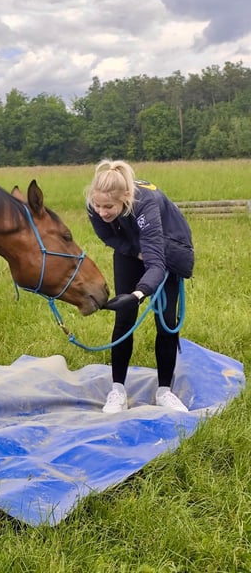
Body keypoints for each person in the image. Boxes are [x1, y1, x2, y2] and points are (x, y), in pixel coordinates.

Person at [86, 159, 195, 413]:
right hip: (132, 246)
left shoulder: (145, 205)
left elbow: (156, 264)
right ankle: (117, 390)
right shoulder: (95, 205)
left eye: (108, 207)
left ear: (125, 197)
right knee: (124, 319)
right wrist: (135, 252)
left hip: (166, 246)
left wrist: (137, 294)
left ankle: (164, 391)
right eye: (98, 205)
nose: (102, 212)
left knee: (166, 321)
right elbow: (107, 235)